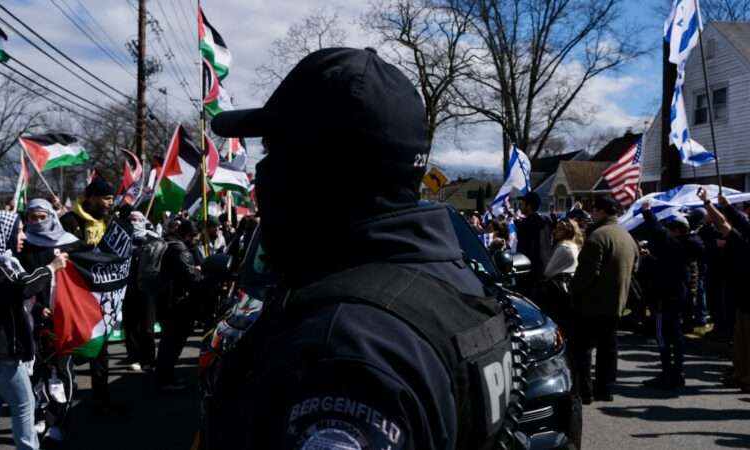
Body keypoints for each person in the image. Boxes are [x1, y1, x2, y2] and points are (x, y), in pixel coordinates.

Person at [204, 47, 512, 450]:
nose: (261, 176)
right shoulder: (450, 281)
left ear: (315, 172)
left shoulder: (341, 346)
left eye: (273, 153)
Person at [0, 211, 68, 450]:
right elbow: (23, 288)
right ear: (1, 234)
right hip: (0, 354)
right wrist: (51, 268)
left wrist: (37, 309)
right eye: (17, 231)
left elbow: (6, 297)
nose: (23, 236)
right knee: (25, 408)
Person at [18, 199, 82, 445]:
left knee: (62, 372)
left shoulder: (70, 244)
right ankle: (40, 414)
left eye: (42, 216)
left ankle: (60, 421)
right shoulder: (24, 247)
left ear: (52, 216)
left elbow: (83, 278)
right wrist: (40, 309)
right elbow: (24, 283)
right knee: (36, 373)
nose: (37, 222)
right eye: (32, 217)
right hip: (34, 321)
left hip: (64, 319)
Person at [59, 177, 120, 416]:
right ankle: (57, 409)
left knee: (100, 349)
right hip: (73, 298)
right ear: (91, 198)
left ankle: (101, 401)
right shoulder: (69, 222)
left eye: (111, 199)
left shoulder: (108, 221)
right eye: (106, 198)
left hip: (99, 299)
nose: (109, 203)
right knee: (67, 354)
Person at [571, 196, 639, 403]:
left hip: (592, 302)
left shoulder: (598, 237)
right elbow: (635, 267)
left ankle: (585, 390)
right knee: (608, 347)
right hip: (617, 301)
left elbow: (587, 273)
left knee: (583, 348)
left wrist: (573, 291)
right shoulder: (627, 237)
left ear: (601, 212)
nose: (591, 215)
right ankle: (605, 389)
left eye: (594, 211)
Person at [639, 204, 704, 390]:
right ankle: (677, 371)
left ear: (676, 230)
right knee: (676, 335)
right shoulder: (690, 244)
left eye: (669, 228)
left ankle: (668, 372)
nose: (667, 231)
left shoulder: (676, 244)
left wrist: (646, 211)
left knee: (663, 335)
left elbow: (658, 232)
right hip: (678, 295)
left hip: (666, 294)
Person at [698, 190, 750, 393]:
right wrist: (714, 204)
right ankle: (740, 374)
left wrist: (715, 205)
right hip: (742, 299)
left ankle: (747, 378)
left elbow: (729, 225)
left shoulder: (744, 242)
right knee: (740, 343)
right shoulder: (743, 240)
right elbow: (728, 224)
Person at [154, 219, 202, 391]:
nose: (196, 242)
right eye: (195, 238)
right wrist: (200, 274)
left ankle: (163, 375)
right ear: (189, 235)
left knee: (167, 341)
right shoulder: (181, 250)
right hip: (177, 304)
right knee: (173, 343)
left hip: (165, 301)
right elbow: (192, 278)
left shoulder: (168, 244)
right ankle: (166, 378)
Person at [123, 211, 159, 372]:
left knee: (147, 326)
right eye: (130, 220)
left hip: (148, 289)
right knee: (131, 325)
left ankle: (149, 359)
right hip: (127, 287)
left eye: (137, 219)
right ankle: (134, 356)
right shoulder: (122, 240)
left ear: (144, 221)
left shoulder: (153, 239)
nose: (133, 222)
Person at [539, 219, 582, 335]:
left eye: (559, 229)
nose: (555, 231)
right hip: (569, 287)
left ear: (567, 231)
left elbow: (548, 271)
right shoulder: (574, 245)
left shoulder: (563, 247)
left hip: (558, 289)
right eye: (556, 228)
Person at [515, 191, 554, 295]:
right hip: (546, 270)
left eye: (522, 204)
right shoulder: (546, 221)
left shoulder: (526, 224)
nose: (520, 207)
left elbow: (523, 251)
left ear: (529, 206)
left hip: (530, 275)